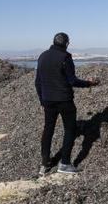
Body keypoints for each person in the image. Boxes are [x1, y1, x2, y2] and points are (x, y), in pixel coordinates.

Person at [35, 32, 100, 175]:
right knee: (70, 130)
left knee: (48, 130)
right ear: (66, 43)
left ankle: (45, 164)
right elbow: (72, 81)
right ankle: (64, 163)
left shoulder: (42, 56)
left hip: (48, 101)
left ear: (53, 41)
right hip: (64, 100)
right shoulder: (66, 57)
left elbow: (38, 82)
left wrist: (42, 99)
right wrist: (89, 83)